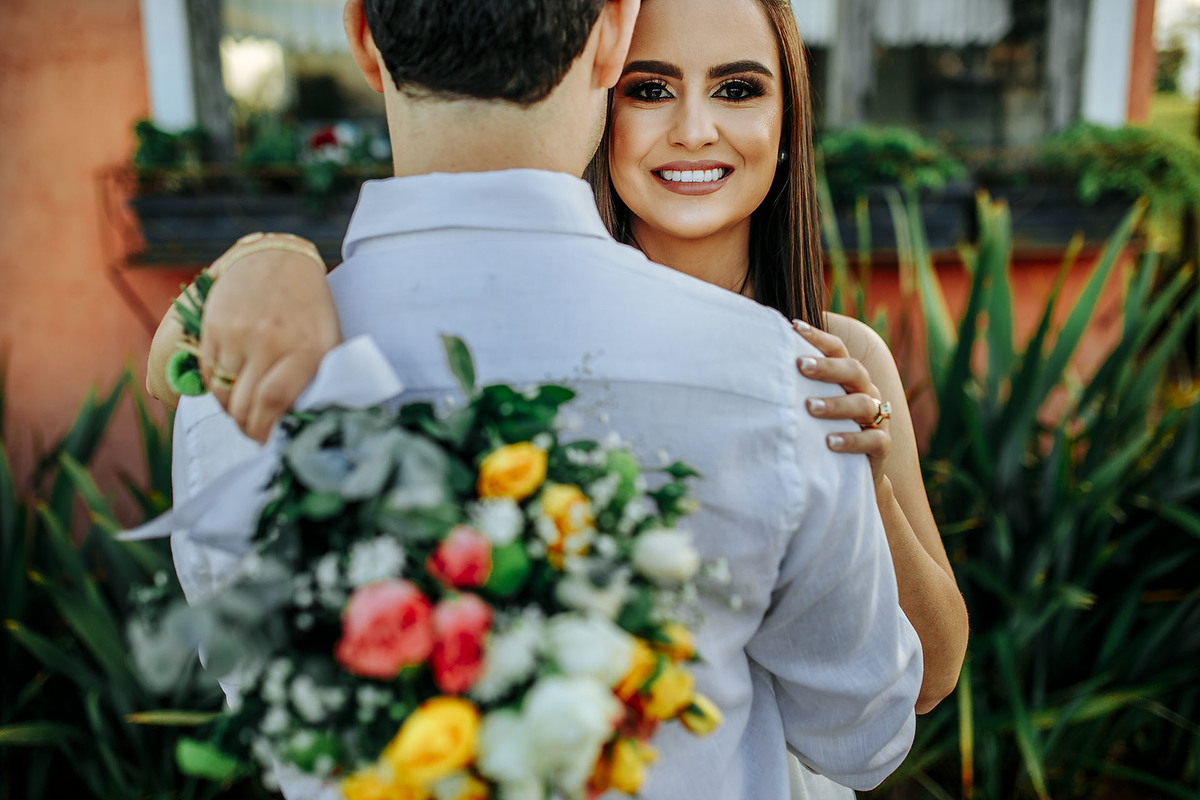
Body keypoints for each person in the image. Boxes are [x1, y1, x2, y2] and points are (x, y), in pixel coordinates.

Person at [157, 0, 924, 798]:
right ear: (612, 38)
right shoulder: (775, 383)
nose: (694, 129)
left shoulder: (230, 387)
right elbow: (865, 735)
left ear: (360, 34)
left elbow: (270, 713)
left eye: (736, 89)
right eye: (652, 87)